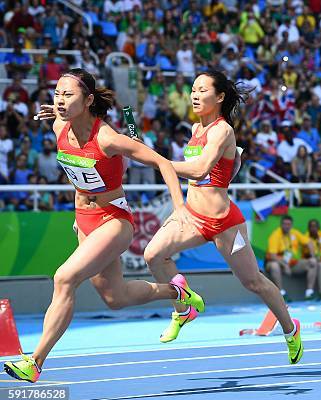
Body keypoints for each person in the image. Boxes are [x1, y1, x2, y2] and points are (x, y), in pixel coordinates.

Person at [3, 69, 203, 383]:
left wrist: (180, 206)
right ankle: (178, 293)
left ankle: (35, 362)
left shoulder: (108, 138)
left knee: (64, 278)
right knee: (115, 297)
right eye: (57, 94)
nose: (60, 100)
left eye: (68, 95)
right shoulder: (58, 125)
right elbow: (78, 172)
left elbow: (163, 163)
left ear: (88, 100)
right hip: (83, 221)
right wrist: (78, 217)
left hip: (113, 220)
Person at [143, 70, 303, 364]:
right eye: (193, 89)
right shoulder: (195, 130)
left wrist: (161, 161)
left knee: (253, 281)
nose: (194, 94)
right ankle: (184, 308)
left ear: (219, 97)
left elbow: (200, 169)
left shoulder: (222, 130)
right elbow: (194, 172)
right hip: (192, 217)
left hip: (225, 223)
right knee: (153, 255)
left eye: (202, 90)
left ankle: (290, 329)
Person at [266, 215, 319, 301]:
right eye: (284, 224)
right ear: (281, 225)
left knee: (313, 262)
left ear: (291, 225)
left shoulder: (294, 233)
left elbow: (309, 242)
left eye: (289, 224)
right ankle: (281, 293)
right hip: (278, 264)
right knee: (274, 265)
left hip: (293, 263)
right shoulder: (275, 235)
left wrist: (313, 256)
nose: (287, 226)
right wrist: (284, 265)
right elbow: (272, 256)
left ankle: (309, 293)